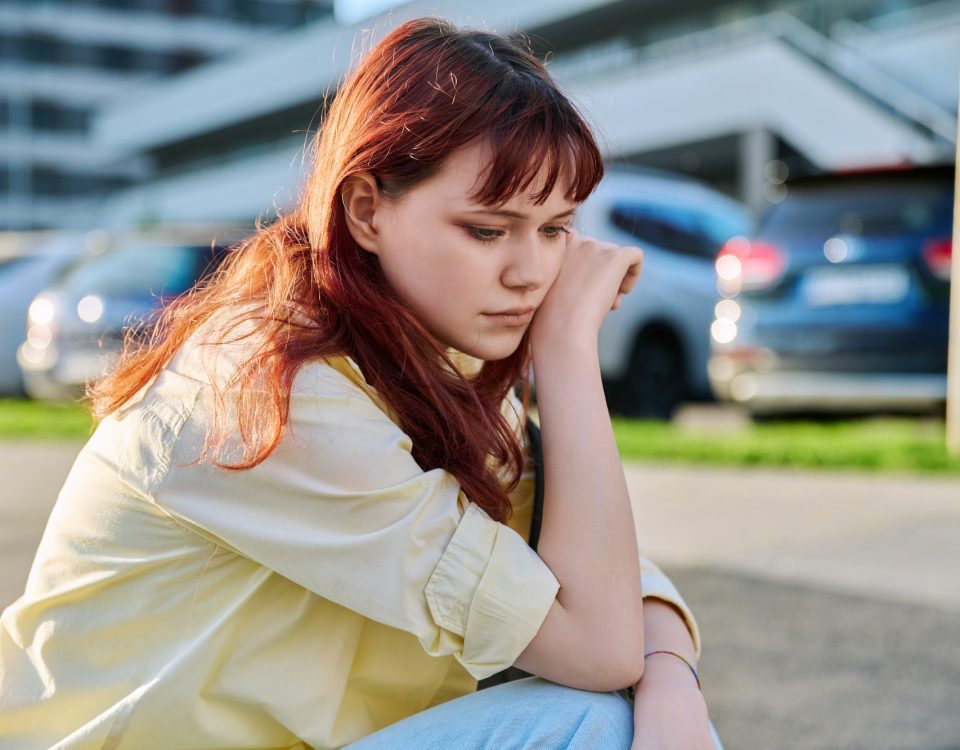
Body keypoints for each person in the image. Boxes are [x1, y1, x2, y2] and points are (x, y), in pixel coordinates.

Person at [0, 17, 723, 750]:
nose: (532, 274)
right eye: (487, 229)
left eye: (554, 229)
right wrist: (567, 346)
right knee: (591, 724)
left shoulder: (439, 366)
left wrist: (670, 680)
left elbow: (601, 573)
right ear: (367, 211)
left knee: (625, 715)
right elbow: (597, 645)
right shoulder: (270, 392)